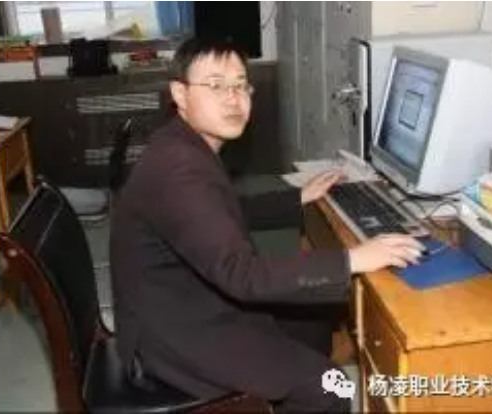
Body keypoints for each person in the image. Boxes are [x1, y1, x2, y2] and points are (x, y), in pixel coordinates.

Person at [110, 36, 424, 413]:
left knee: (313, 319)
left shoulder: (182, 143)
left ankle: (286, 383)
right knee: (336, 387)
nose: (233, 99)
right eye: (216, 85)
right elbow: (242, 275)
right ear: (180, 93)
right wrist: (352, 259)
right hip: (176, 334)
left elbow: (217, 211)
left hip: (185, 300)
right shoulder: (181, 170)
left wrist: (296, 198)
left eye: (241, 85)